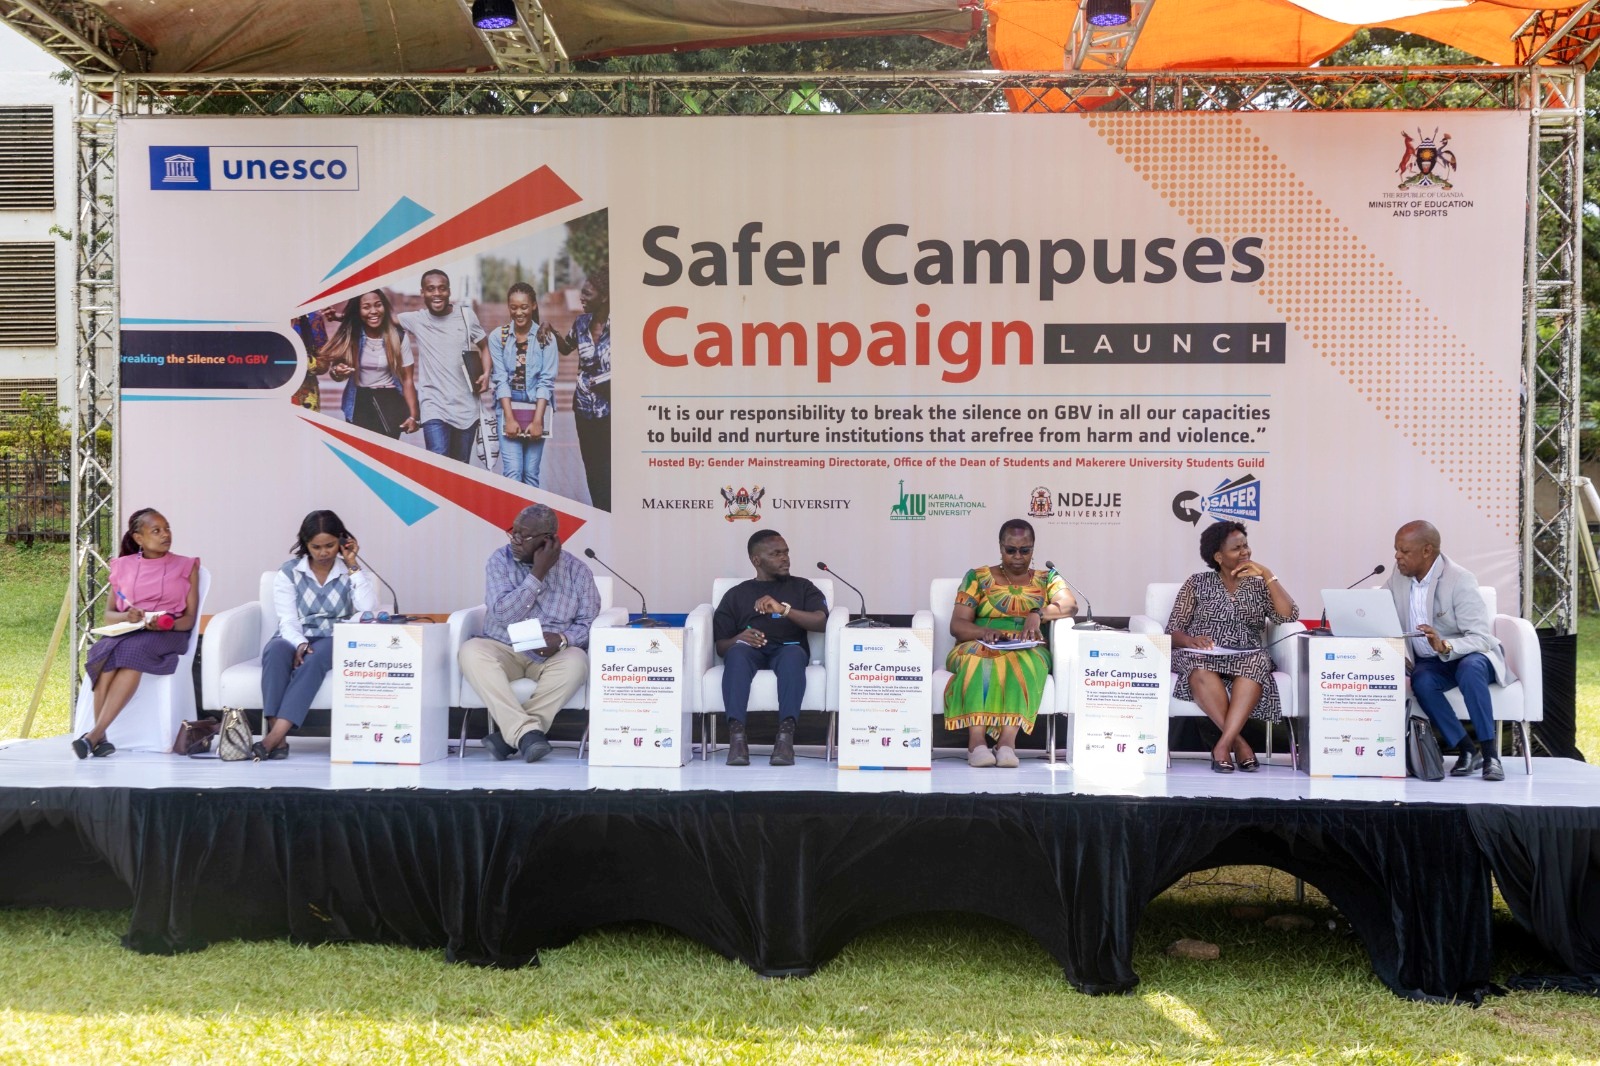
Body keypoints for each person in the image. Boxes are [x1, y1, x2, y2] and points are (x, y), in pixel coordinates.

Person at [458, 503, 600, 763]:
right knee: (471, 652)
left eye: (524, 536)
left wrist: (564, 639)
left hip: (550, 654)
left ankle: (511, 736)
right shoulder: (500, 560)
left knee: (577, 662)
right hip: (503, 647)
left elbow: (588, 621)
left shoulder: (577, 571)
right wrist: (538, 572)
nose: (515, 540)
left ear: (548, 540)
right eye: (514, 532)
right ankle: (526, 734)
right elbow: (502, 614)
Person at [1167, 521, 1299, 774]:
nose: (1245, 552)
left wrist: (1267, 574)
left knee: (1257, 664)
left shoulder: (1259, 584)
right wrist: (1190, 641)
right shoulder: (1197, 582)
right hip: (1203, 653)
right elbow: (1173, 630)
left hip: (1246, 654)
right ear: (1218, 556)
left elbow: (1288, 615)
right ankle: (1239, 744)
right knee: (1199, 669)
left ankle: (1223, 745)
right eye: (1236, 548)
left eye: (1246, 546)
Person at [943, 518, 1076, 768]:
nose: (1017, 556)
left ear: (1033, 549)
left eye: (1025, 550)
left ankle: (1006, 744)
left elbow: (1070, 605)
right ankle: (977, 743)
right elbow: (957, 625)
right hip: (979, 641)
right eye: (1010, 550)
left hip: (1028, 644)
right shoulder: (977, 577)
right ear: (1000, 547)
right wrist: (984, 631)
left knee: (1023, 661)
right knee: (978, 659)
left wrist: (1037, 614)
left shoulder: (1047, 578)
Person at [1387, 519, 1509, 781]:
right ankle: (1467, 750)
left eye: (1404, 551)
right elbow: (1380, 611)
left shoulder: (1459, 579)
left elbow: (1481, 638)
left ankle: (1490, 756)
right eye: (1396, 550)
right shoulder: (1398, 577)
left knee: (1470, 668)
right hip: (1432, 662)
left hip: (1470, 655)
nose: (1397, 557)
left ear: (1427, 551)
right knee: (1422, 680)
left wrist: (1446, 645)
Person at [73, 509, 201, 758]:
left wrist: (165, 624)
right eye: (156, 530)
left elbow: (188, 620)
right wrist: (127, 617)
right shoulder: (123, 566)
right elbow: (109, 615)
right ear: (139, 538)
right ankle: (100, 738)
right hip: (129, 632)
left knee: (133, 652)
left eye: (167, 528)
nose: (165, 535)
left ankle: (94, 734)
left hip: (168, 632)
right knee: (102, 652)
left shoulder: (187, 566)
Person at [256, 510, 377, 760]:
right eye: (316, 547)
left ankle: (272, 738)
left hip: (335, 636)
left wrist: (353, 564)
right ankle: (278, 738)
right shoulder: (289, 572)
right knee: (275, 650)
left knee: (314, 659)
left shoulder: (349, 571)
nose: (324, 553)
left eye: (331, 545)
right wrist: (299, 643)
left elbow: (368, 608)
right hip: (296, 634)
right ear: (305, 544)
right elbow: (288, 620)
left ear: (342, 542)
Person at [712, 529, 829, 766]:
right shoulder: (735, 595)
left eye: (786, 552)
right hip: (748, 652)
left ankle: (785, 739)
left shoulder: (803, 587)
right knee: (736, 655)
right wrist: (739, 638)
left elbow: (821, 622)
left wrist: (783, 610)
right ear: (757, 561)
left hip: (787, 649)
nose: (785, 558)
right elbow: (721, 647)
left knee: (794, 654)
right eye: (776, 554)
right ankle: (737, 739)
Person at [397, 269, 488, 463]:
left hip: (466, 407)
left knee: (460, 466)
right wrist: (340, 318)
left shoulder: (466, 316)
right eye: (430, 289)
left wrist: (487, 373)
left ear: (449, 291)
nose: (436, 293)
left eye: (441, 288)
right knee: (438, 461)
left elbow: (485, 346)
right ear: (422, 292)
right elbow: (378, 317)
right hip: (433, 405)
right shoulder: (416, 319)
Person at [543, 269, 610, 510]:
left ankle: (614, 511)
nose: (582, 298)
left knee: (611, 466)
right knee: (591, 465)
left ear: (604, 297)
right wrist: (551, 331)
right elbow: (566, 348)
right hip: (583, 409)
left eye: (587, 294)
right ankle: (601, 511)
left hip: (612, 410)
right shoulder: (581, 324)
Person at [322, 290, 419, 438]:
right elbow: (335, 373)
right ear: (358, 311)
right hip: (359, 400)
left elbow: (407, 379)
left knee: (386, 455)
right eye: (366, 307)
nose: (374, 311)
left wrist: (413, 416)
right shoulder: (352, 334)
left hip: (389, 402)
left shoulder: (398, 337)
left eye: (378, 305)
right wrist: (338, 371)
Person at [489, 282, 558, 486]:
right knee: (513, 472)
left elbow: (547, 381)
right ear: (508, 307)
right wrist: (509, 418)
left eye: (524, 307)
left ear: (534, 306)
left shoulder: (546, 338)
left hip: (537, 406)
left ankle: (531, 518)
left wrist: (537, 421)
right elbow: (500, 378)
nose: (519, 312)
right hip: (508, 406)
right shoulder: (497, 337)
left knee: (530, 473)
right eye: (514, 307)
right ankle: (513, 518)